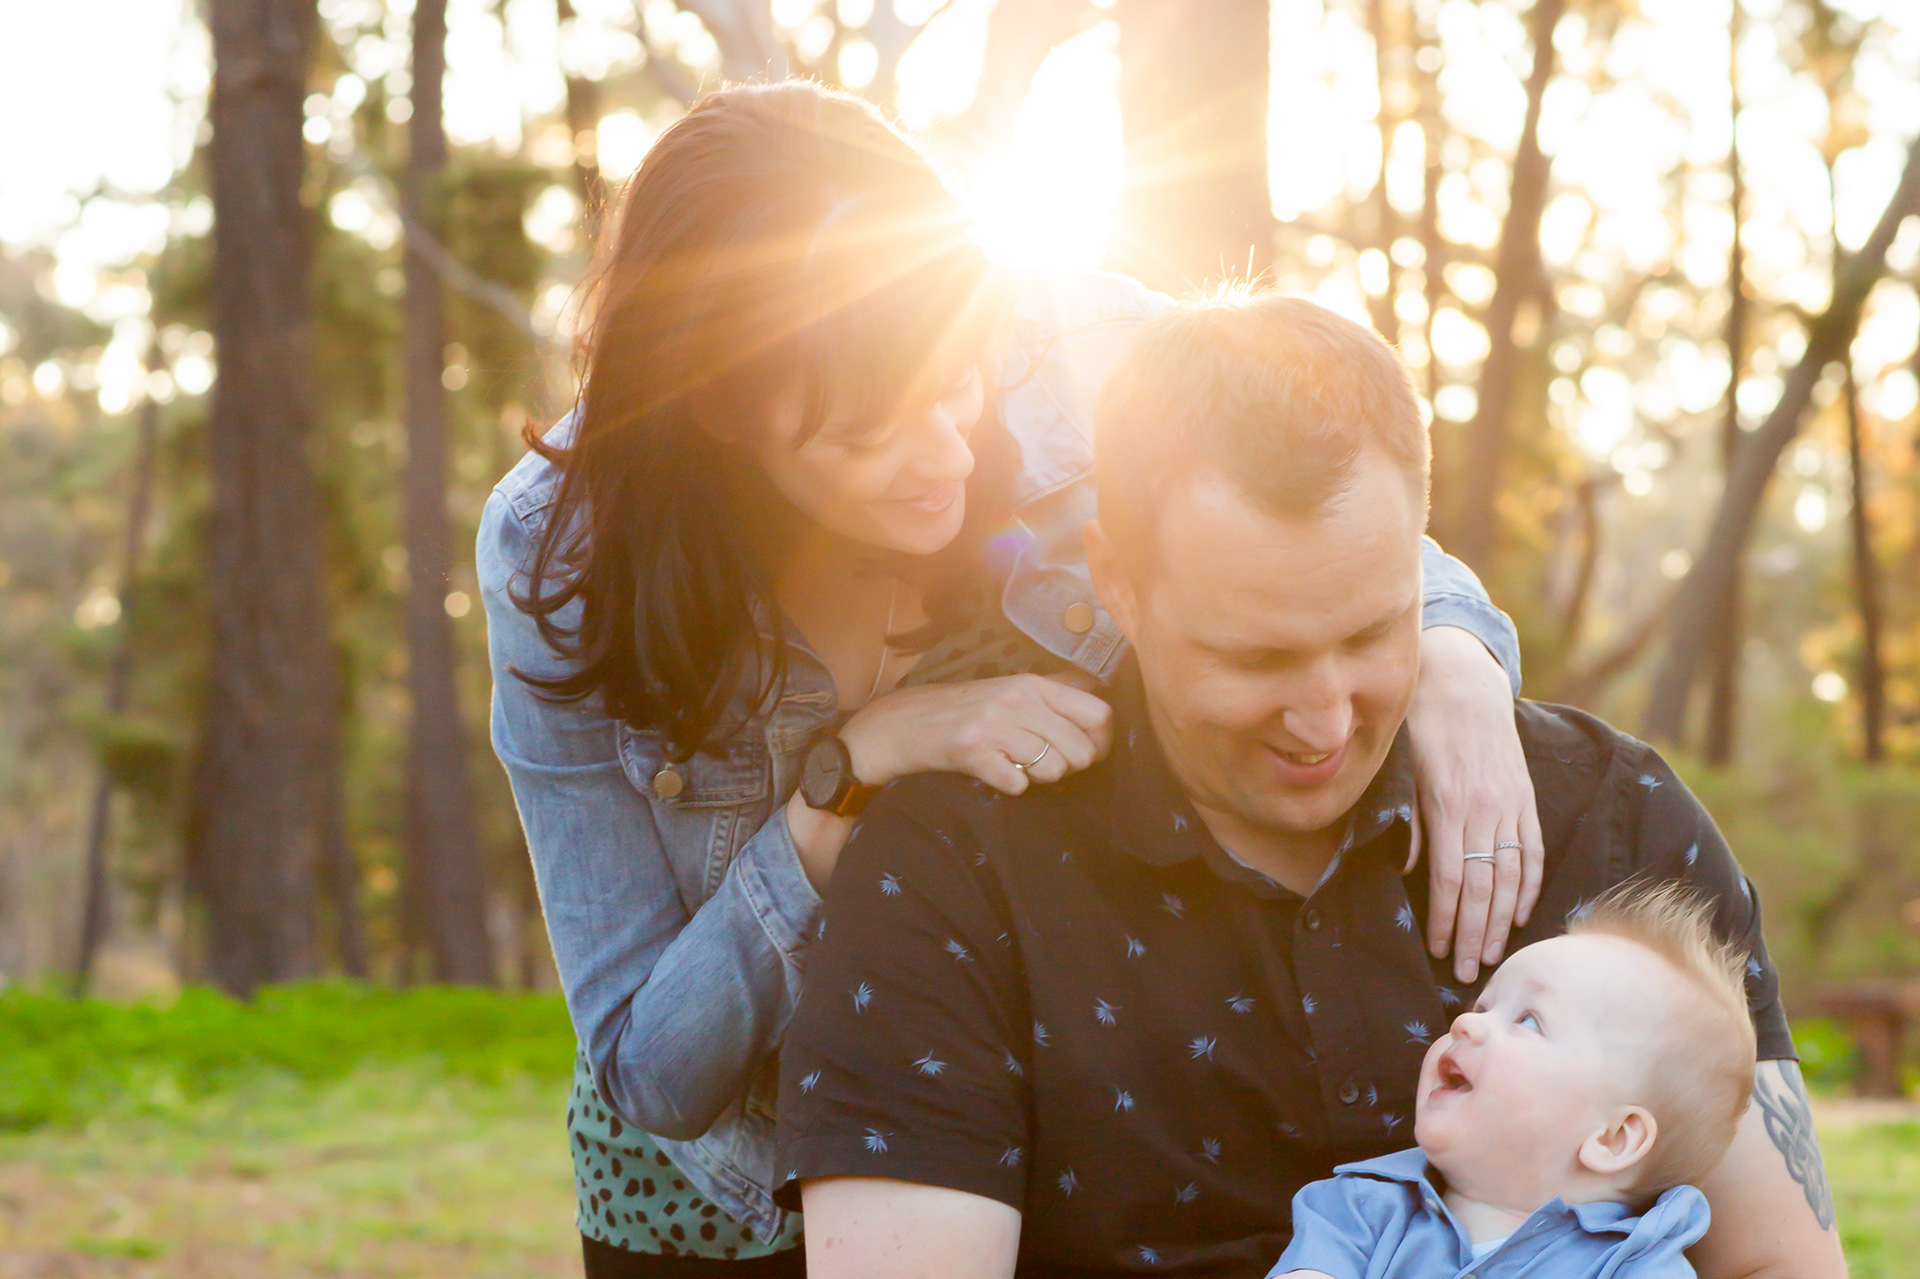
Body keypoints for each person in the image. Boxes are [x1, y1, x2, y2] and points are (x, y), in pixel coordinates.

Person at [479, 83, 1536, 1276]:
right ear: (720, 402)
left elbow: (1343, 503)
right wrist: (856, 775)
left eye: (955, 383)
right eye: (868, 431)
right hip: (718, 1207)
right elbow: (646, 1069)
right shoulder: (556, 552)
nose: (944, 454)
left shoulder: (1079, 354)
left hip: (1004, 1140)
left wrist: (1456, 660)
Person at [773, 292, 1846, 1279]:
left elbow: (1776, 1262)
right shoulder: (953, 874)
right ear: (1117, 583)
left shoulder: (1611, 821)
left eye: (1373, 632)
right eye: (1256, 658)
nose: (1327, 721)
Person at [1269, 882, 1758, 1279]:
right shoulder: (1360, 1211)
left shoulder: (1636, 1267)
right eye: (1482, 1006)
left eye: (1528, 1021)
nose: (1466, 1023)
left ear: (1613, 1137)